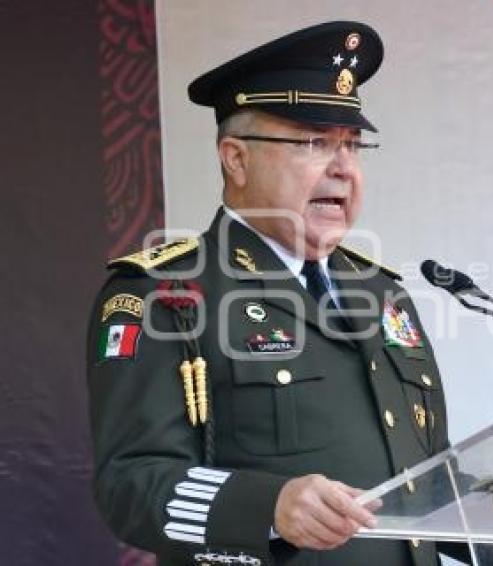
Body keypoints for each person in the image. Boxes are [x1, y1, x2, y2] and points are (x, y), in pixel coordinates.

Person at [87, 21, 457, 566]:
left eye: (353, 146)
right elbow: (131, 486)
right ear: (235, 158)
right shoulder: (165, 294)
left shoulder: (382, 294)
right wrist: (269, 507)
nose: (342, 168)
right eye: (314, 142)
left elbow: (423, 480)